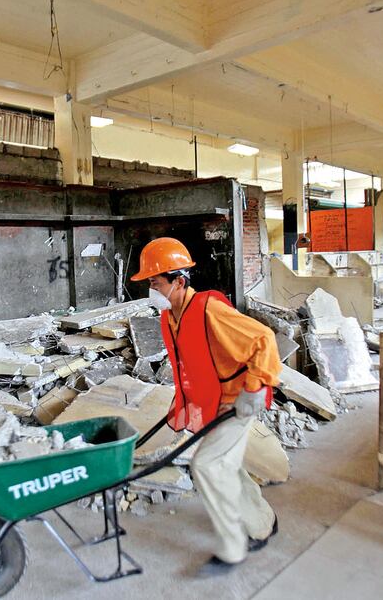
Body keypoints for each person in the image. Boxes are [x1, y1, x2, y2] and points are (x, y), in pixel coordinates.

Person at [131, 237, 281, 578]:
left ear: (179, 281)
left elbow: (264, 340)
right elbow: (191, 365)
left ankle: (233, 549)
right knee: (225, 465)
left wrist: (255, 388)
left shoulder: (210, 310)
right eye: (150, 283)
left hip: (238, 400)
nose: (151, 290)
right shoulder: (170, 316)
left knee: (208, 465)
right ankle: (262, 523)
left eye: (155, 283)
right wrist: (181, 405)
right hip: (214, 401)